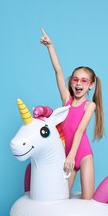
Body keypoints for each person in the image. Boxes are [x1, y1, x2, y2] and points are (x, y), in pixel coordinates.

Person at [38, 28, 104, 199]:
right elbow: (58, 71)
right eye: (75, 80)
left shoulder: (90, 106)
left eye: (84, 81)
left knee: (87, 200)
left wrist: (71, 156)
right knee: (61, 198)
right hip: (67, 154)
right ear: (71, 82)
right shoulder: (66, 100)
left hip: (81, 155)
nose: (78, 84)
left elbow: (79, 131)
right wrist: (50, 46)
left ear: (90, 85)